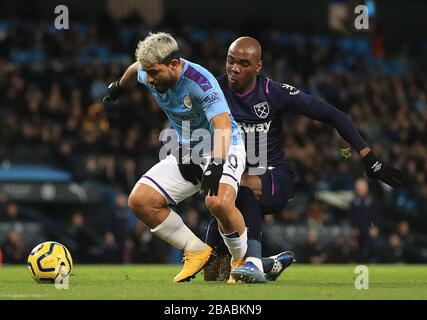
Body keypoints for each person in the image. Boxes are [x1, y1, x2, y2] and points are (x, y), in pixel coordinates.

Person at [204, 37, 405, 283]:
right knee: (213, 276)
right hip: (234, 187)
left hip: (273, 176)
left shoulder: (273, 92)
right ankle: (267, 263)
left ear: (258, 66)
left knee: (238, 186)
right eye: (230, 61)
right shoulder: (213, 91)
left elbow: (334, 115)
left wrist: (367, 155)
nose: (234, 68)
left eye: (243, 63)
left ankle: (254, 261)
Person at [103, 32, 248, 283]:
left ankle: (241, 261)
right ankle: (195, 250)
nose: (149, 79)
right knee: (140, 201)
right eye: (147, 73)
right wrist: (117, 87)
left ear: (174, 64)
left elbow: (223, 126)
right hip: (189, 152)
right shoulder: (148, 71)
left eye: (154, 73)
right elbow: (134, 69)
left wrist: (215, 164)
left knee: (218, 203)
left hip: (225, 146)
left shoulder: (201, 82)